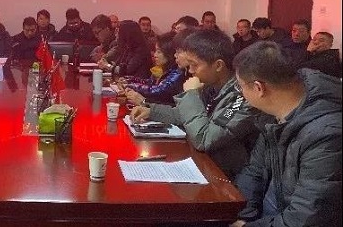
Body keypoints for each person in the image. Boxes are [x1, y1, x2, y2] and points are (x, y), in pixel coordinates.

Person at [130, 29, 268, 180]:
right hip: (204, 164)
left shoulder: (241, 96)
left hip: (226, 176)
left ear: (218, 65)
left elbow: (205, 139)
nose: (190, 71)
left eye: (194, 65)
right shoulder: (210, 86)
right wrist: (151, 111)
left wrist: (190, 95)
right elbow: (186, 116)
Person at [230, 41, 341, 227]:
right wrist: (243, 216)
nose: (240, 93)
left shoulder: (327, 135)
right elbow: (254, 171)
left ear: (259, 88)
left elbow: (307, 216)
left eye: (240, 86)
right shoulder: (273, 113)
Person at [124, 32, 186, 105]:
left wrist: (131, 85)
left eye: (159, 52)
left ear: (169, 53)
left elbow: (158, 90)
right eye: (155, 51)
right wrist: (129, 80)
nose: (155, 55)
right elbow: (150, 83)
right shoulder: (162, 68)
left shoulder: (178, 72)